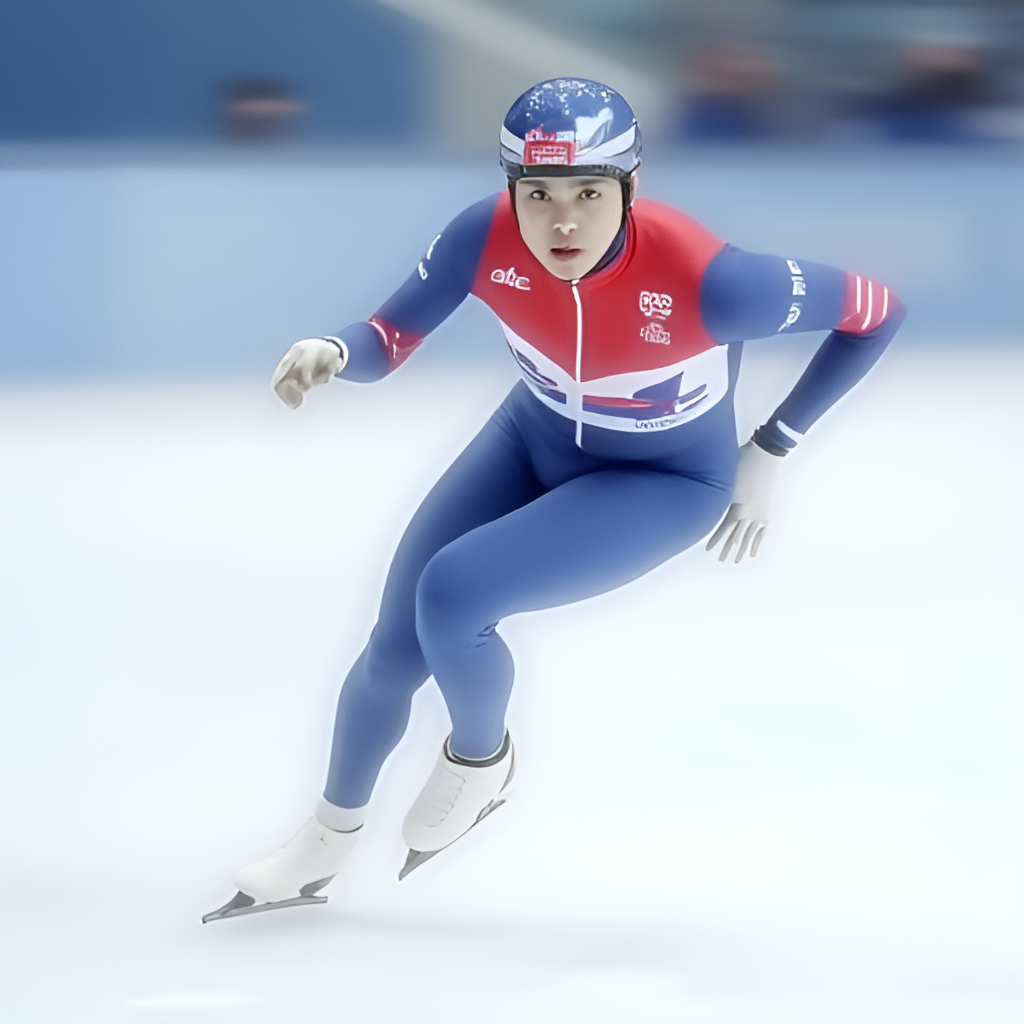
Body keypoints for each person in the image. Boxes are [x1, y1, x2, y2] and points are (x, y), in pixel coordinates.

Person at [204, 78, 905, 922]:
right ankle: (326, 838)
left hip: (661, 481)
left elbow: (877, 313)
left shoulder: (717, 281)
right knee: (393, 644)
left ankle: (481, 760)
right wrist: (336, 349)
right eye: (537, 195)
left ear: (630, 187)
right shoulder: (481, 237)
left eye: (588, 195)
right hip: (529, 438)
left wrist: (775, 444)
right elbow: (390, 335)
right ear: (511, 190)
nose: (562, 223)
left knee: (453, 592)